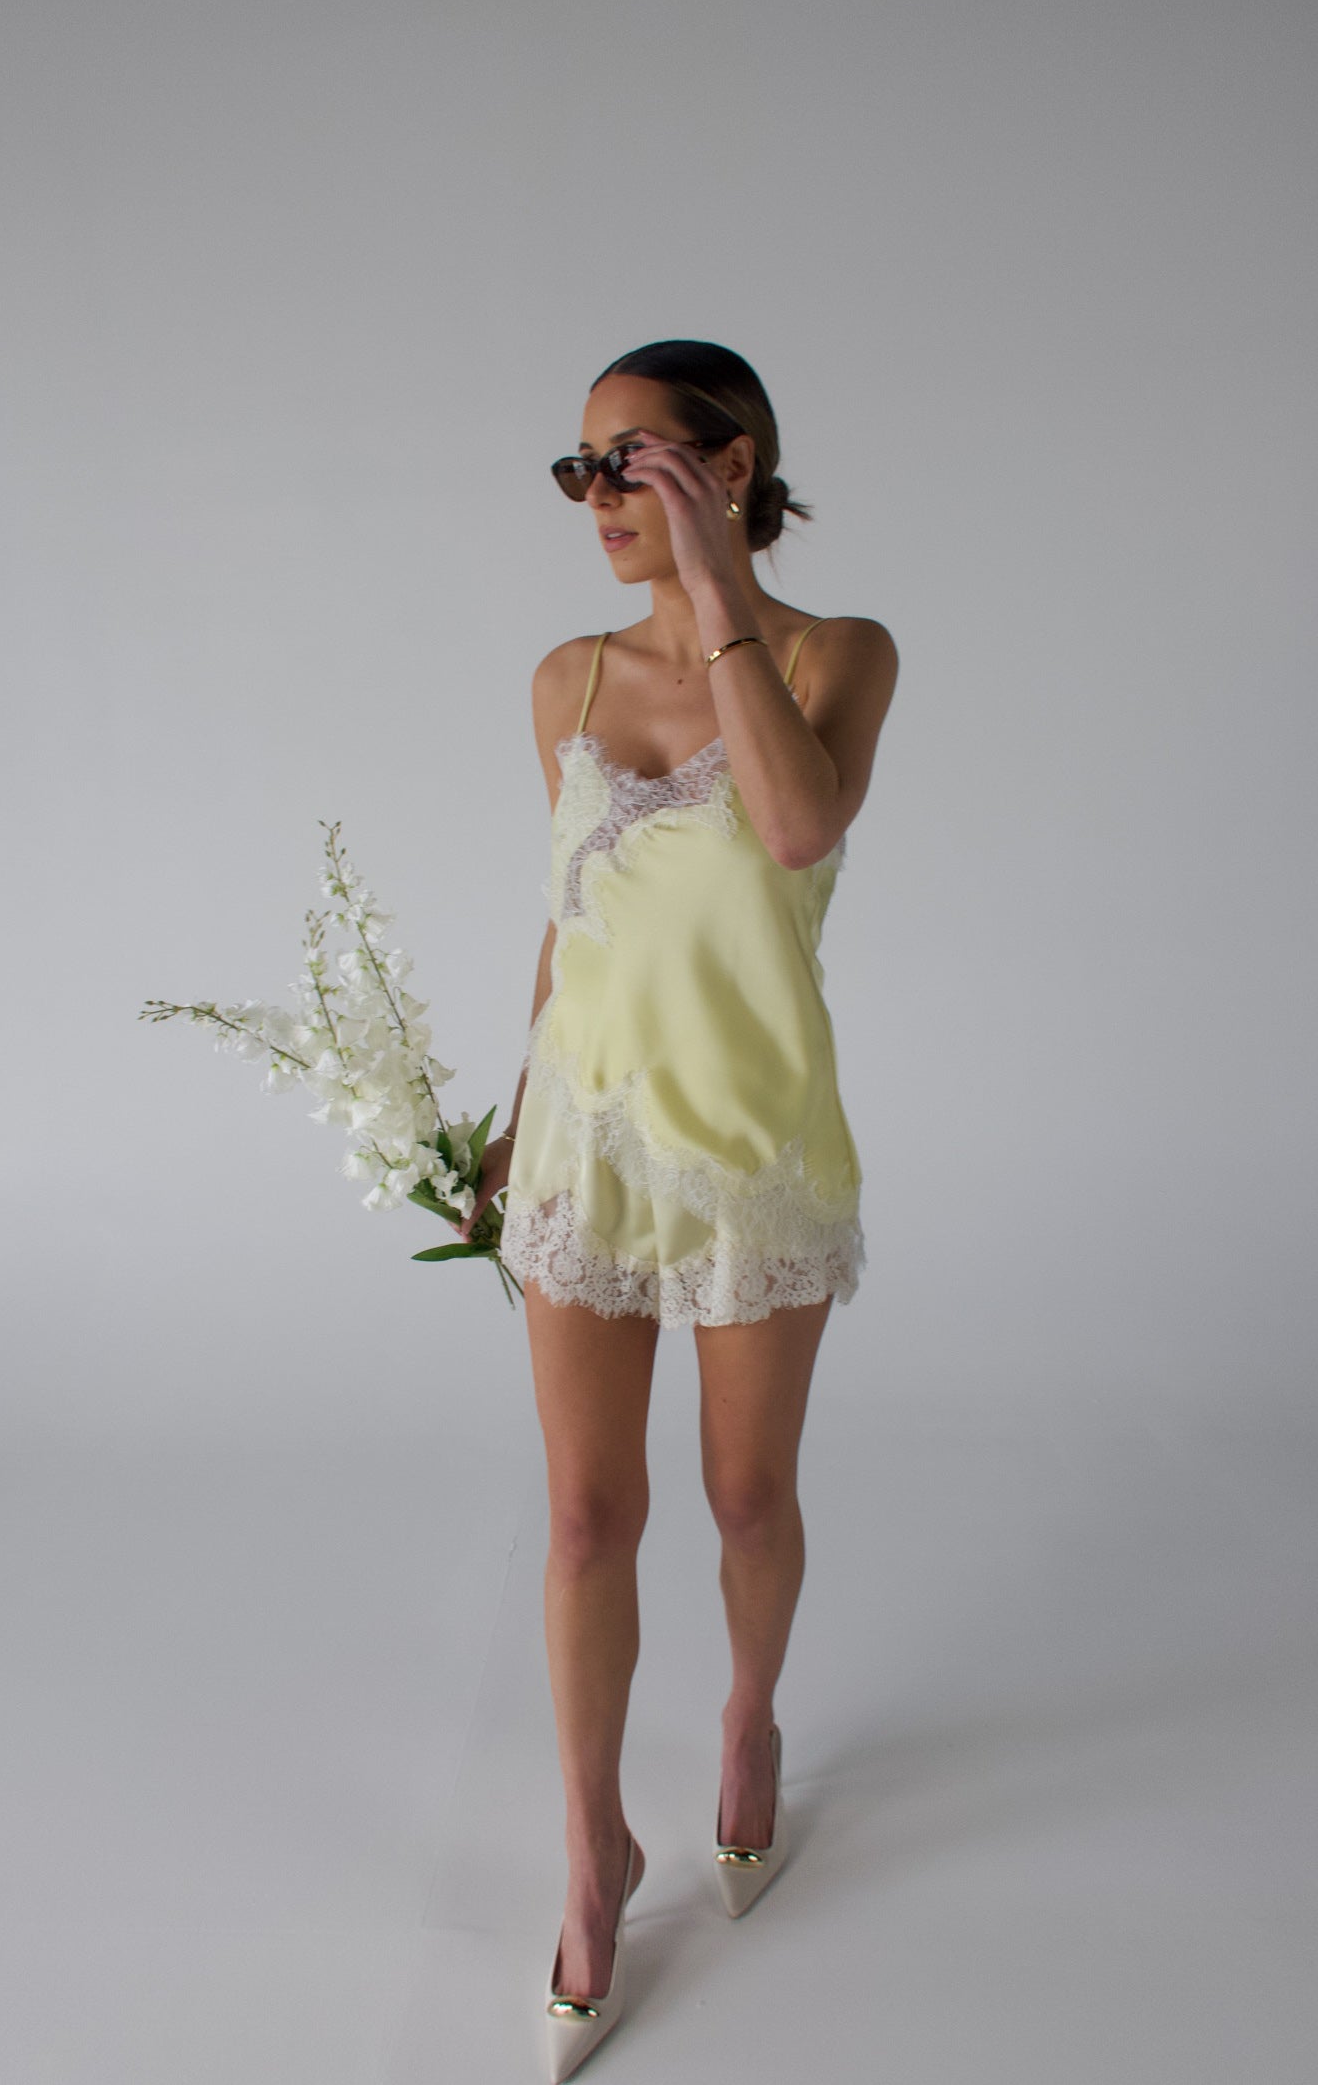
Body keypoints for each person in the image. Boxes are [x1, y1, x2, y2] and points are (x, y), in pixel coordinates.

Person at [456, 338, 897, 2080]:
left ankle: (749, 1721)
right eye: (580, 468)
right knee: (583, 1520)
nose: (597, 498)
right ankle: (593, 1858)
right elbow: (571, 917)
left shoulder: (833, 656)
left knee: (745, 1494)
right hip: (588, 1149)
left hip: (751, 1147)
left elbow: (790, 832)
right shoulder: (563, 678)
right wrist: (513, 1124)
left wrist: (716, 586)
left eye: (630, 461)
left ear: (729, 465)